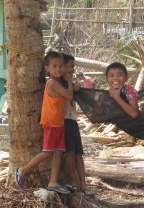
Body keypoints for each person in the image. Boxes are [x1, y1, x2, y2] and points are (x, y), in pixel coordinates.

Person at [15, 51, 73, 194]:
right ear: (47, 68)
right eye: (54, 66)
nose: (58, 69)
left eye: (60, 66)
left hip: (59, 123)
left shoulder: (58, 82)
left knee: (59, 152)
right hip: (51, 124)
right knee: (48, 152)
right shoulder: (52, 83)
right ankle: (23, 170)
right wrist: (70, 81)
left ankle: (53, 181)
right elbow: (69, 95)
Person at [62, 54, 95, 195]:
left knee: (78, 153)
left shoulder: (72, 84)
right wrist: (71, 84)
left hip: (72, 120)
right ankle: (73, 182)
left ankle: (83, 184)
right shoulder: (57, 84)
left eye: (73, 67)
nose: (73, 70)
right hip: (63, 121)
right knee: (70, 153)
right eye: (71, 66)